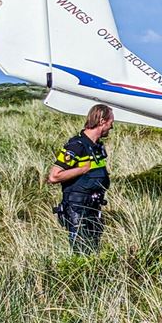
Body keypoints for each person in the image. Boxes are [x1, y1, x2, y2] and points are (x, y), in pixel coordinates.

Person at [49, 104, 114, 253]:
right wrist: (82, 169)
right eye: (111, 122)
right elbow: (54, 176)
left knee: (93, 250)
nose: (112, 127)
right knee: (81, 252)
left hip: (93, 207)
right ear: (102, 121)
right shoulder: (76, 146)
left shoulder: (97, 146)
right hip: (77, 209)